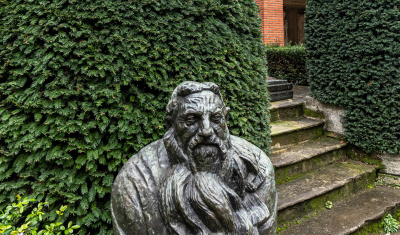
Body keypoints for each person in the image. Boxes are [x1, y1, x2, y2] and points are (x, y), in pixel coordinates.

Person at [111, 81, 276, 235]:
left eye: (215, 119)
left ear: (225, 119)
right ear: (172, 124)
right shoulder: (134, 183)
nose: (206, 131)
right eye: (191, 119)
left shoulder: (259, 167)